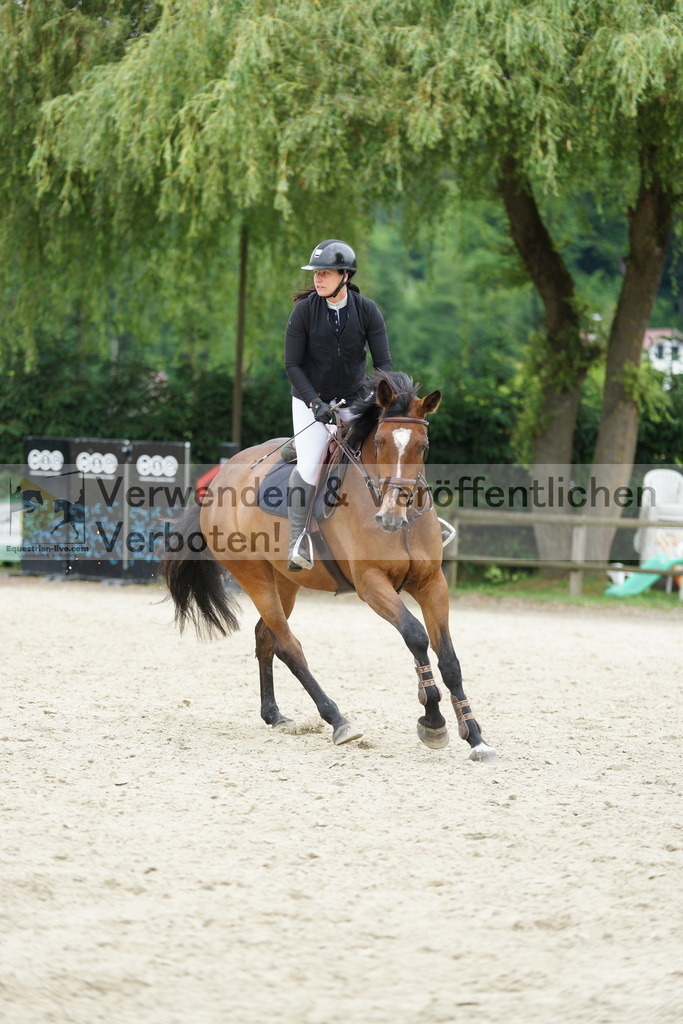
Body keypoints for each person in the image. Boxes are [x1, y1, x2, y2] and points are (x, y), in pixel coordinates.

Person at [284, 238, 393, 571]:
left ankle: (423, 522)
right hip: (310, 400)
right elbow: (292, 365)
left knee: (393, 448)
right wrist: (314, 402)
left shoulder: (367, 310)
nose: (318, 279)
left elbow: (384, 364)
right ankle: (297, 541)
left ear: (345, 276)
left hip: (355, 399)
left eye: (326, 273)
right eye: (316, 273)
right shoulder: (303, 311)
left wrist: (383, 400)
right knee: (310, 466)